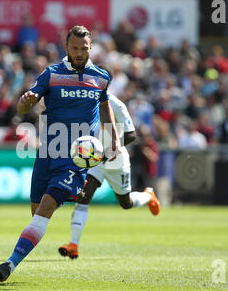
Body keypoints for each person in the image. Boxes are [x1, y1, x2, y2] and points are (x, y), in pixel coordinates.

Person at [0, 25, 120, 282]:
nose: (80, 52)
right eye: (75, 48)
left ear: (90, 48)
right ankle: (66, 198)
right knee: (37, 211)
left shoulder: (101, 77)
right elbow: (26, 102)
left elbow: (105, 106)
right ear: (66, 48)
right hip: (48, 153)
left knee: (45, 209)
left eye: (84, 48)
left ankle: (9, 265)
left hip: (76, 158)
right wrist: (26, 101)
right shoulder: (51, 74)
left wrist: (112, 136)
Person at [58, 92, 161, 259]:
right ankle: (73, 244)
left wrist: (110, 149)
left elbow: (131, 135)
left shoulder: (117, 105)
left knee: (125, 203)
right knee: (83, 198)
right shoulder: (86, 100)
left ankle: (148, 196)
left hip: (116, 161)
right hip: (94, 161)